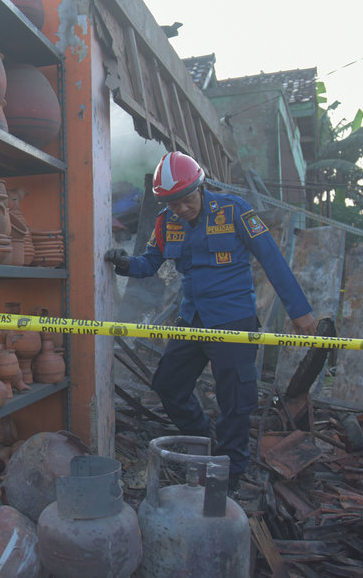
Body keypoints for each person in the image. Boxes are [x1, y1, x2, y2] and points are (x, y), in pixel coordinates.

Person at [105, 151, 316, 493]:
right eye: (173, 203)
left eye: (187, 200)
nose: (182, 209)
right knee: (168, 385)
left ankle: (230, 469)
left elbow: (272, 260)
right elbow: (149, 263)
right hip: (191, 320)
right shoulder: (166, 221)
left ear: (201, 188)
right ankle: (202, 436)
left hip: (233, 321)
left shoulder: (235, 211)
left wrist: (300, 312)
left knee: (235, 399)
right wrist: (124, 263)